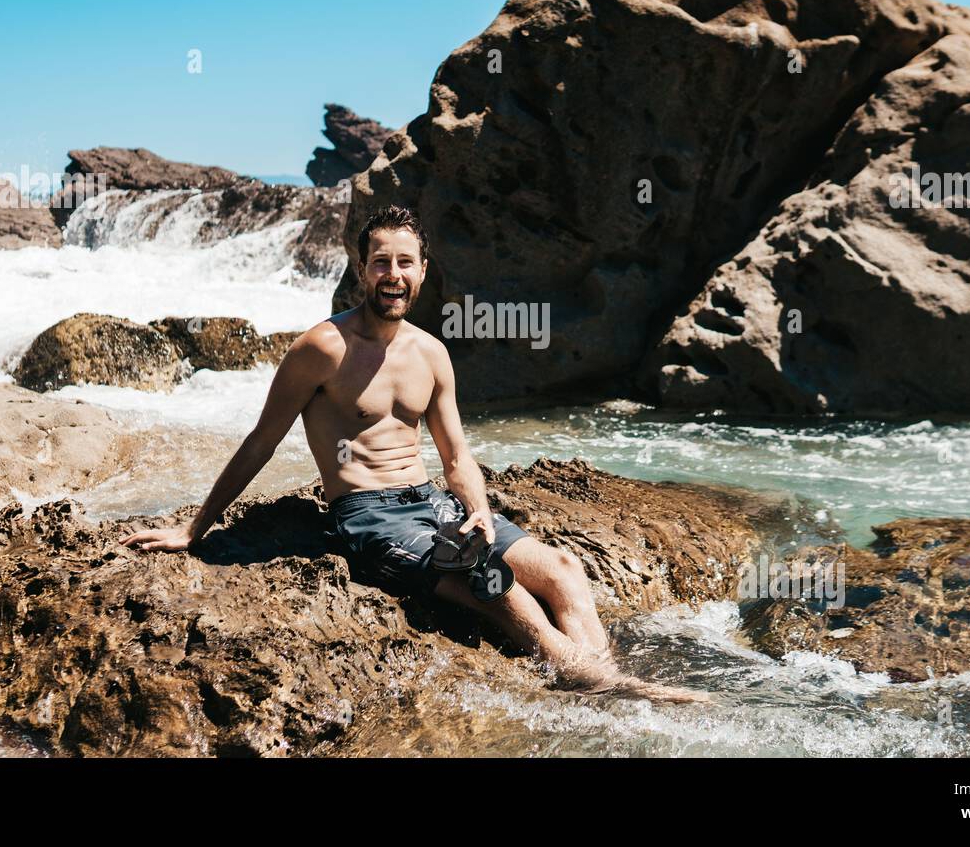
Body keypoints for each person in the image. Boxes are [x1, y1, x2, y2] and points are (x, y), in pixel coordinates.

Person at [121, 206, 707, 701]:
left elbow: (455, 454)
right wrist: (196, 527)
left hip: (433, 504)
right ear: (361, 268)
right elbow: (262, 440)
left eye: (405, 263)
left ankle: (598, 677)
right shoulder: (321, 349)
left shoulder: (430, 353)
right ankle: (617, 690)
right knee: (493, 586)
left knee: (563, 570)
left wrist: (477, 510)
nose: (393, 275)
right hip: (369, 517)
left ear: (423, 272)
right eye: (381, 262)